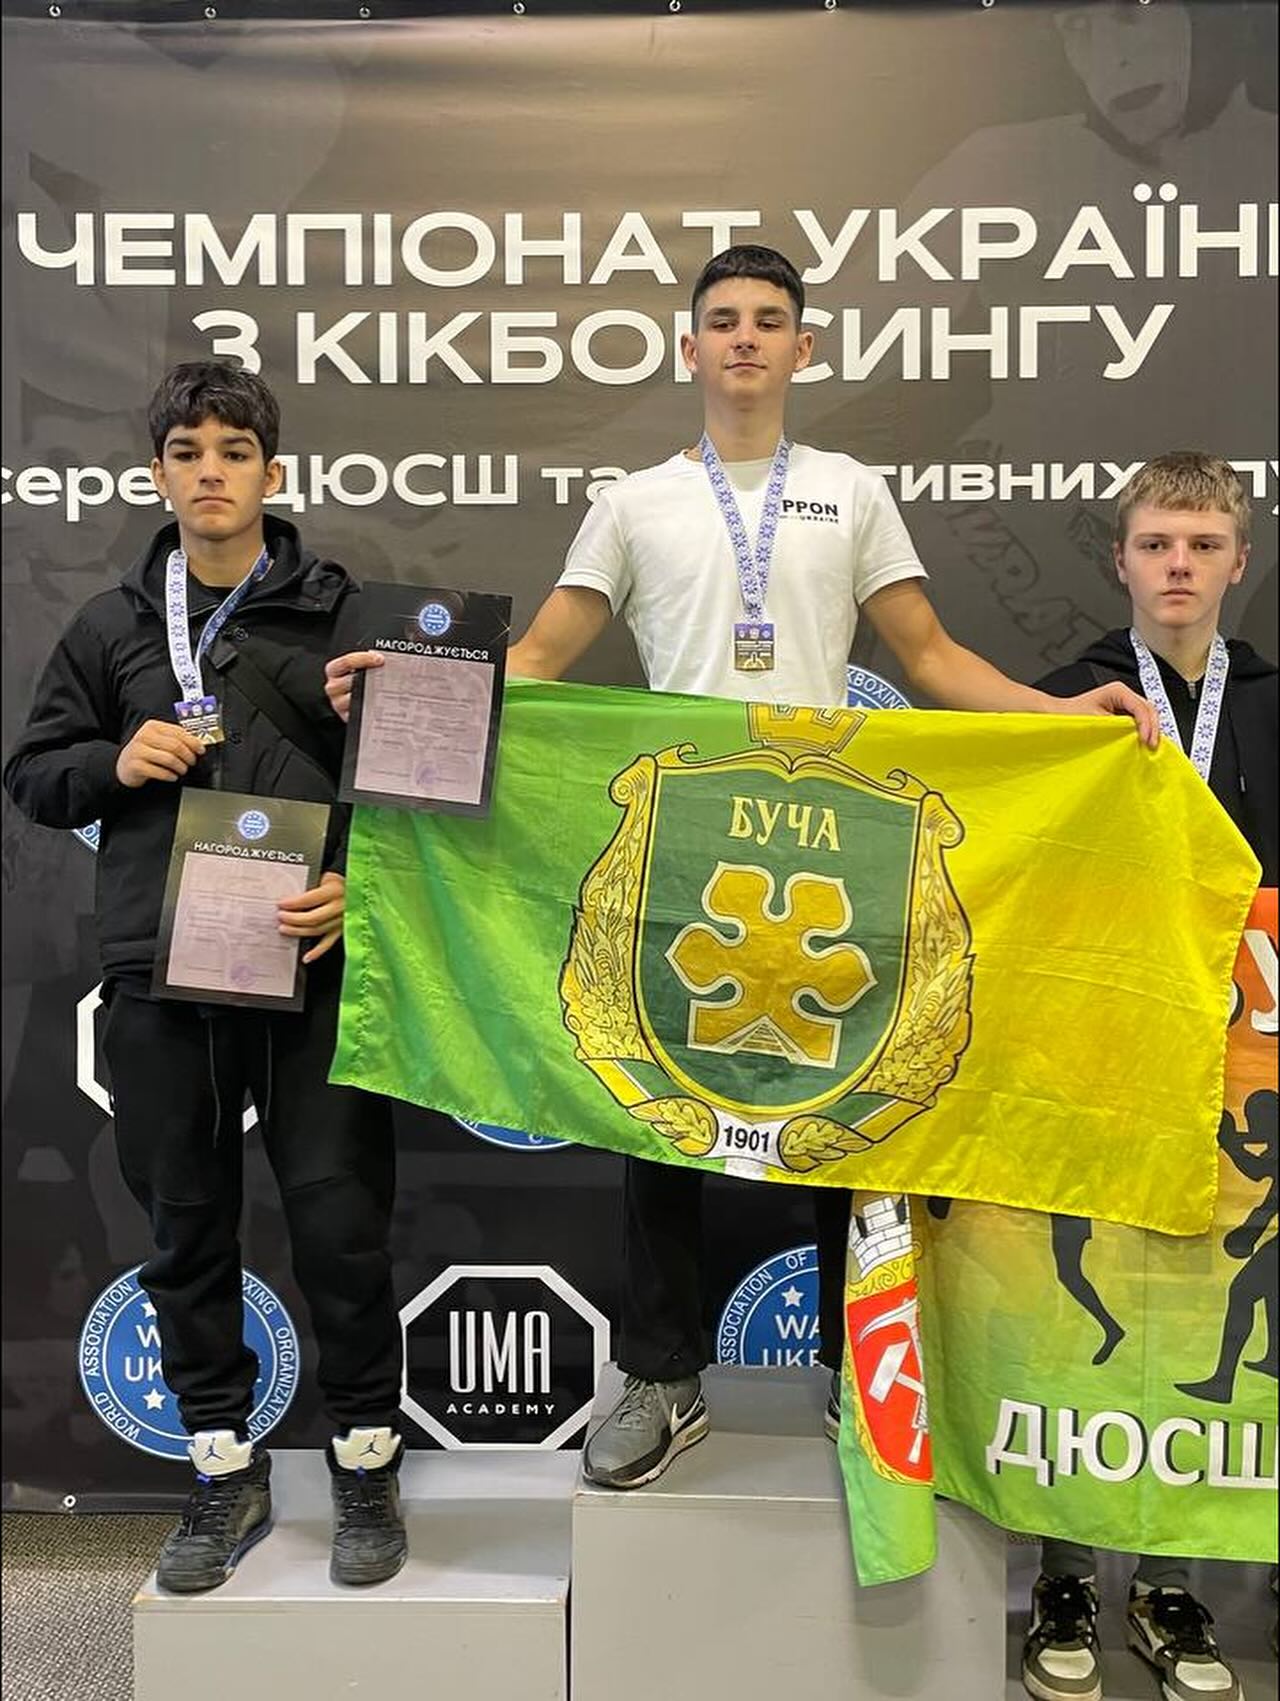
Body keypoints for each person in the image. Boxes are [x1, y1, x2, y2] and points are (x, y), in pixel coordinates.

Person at [325, 243, 1156, 1493]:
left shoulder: (849, 489)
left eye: (769, 320)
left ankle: (856, 1377)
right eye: (723, 321)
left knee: (848, 1112)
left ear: (803, 348)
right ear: (690, 347)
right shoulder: (635, 501)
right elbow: (540, 660)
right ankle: (663, 1376)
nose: (746, 339)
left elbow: (928, 656)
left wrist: (1057, 717)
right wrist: (413, 691)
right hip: (684, 845)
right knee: (657, 1114)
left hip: (832, 843)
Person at [4, 362, 407, 1594]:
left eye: (234, 451)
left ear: (272, 474)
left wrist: (360, 884)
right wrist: (113, 763)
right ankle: (222, 1469)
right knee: (184, 1227)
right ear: (159, 474)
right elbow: (33, 775)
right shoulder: (111, 625)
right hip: (160, 967)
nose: (211, 472)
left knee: (340, 1222)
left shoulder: (343, 616)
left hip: (310, 956)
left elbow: (424, 788)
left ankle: (365, 1460)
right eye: (188, 452)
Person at [1021, 452, 1277, 1701]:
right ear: (1118, 560)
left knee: (1193, 1309)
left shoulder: (1269, 706)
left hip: (1238, 1073)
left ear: (1239, 561)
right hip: (1094, 1058)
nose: (1178, 566)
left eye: (1201, 545)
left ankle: (1171, 1582)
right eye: (1156, 544)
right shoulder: (1059, 702)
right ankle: (1063, 1572)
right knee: (1076, 1311)